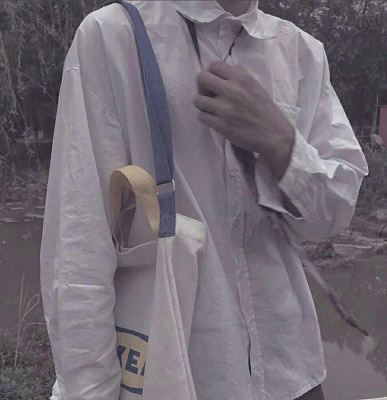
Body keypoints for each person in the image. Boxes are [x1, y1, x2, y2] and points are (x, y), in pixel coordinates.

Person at [40, 1, 369, 400]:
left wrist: (281, 142)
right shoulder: (113, 36)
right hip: (179, 375)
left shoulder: (300, 51)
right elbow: (79, 242)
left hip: (294, 374)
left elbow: (333, 213)